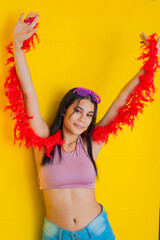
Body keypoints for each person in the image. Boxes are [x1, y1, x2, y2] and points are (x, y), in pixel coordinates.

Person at [7, 11, 160, 240]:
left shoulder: (92, 143)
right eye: (77, 111)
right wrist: (18, 46)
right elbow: (28, 93)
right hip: (56, 235)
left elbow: (121, 100)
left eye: (89, 115)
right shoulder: (43, 145)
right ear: (64, 111)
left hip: (97, 231)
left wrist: (151, 63)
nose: (83, 119)